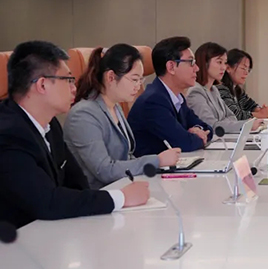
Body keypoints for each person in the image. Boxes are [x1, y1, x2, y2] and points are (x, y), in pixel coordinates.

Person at [0, 41, 149, 228]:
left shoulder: (50, 123)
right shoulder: (8, 133)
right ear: (42, 85)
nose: (74, 88)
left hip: (49, 231)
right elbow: (47, 202)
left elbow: (77, 182)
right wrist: (121, 197)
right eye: (68, 80)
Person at [64, 45, 182, 189]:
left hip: (122, 188)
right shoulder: (83, 115)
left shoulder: (115, 107)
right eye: (134, 79)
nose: (138, 86)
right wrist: (157, 160)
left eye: (141, 80)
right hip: (98, 195)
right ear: (111, 77)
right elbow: (104, 170)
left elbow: (127, 157)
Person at [128, 37, 213, 157]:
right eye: (191, 62)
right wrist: (198, 137)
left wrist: (198, 129)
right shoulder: (153, 101)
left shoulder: (176, 97)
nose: (197, 68)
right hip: (151, 168)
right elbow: (184, 143)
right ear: (171, 67)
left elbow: (208, 129)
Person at [186, 43, 260, 133]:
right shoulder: (196, 91)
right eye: (219, 62)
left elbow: (232, 117)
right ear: (205, 63)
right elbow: (211, 126)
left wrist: (222, 123)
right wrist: (246, 125)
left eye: (225, 63)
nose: (223, 67)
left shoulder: (214, 90)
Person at [218, 49, 268, 120]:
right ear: (228, 68)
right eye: (243, 68)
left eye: (248, 70)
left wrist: (261, 110)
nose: (246, 73)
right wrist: (260, 114)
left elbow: (250, 105)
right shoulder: (221, 89)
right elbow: (235, 115)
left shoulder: (237, 90)